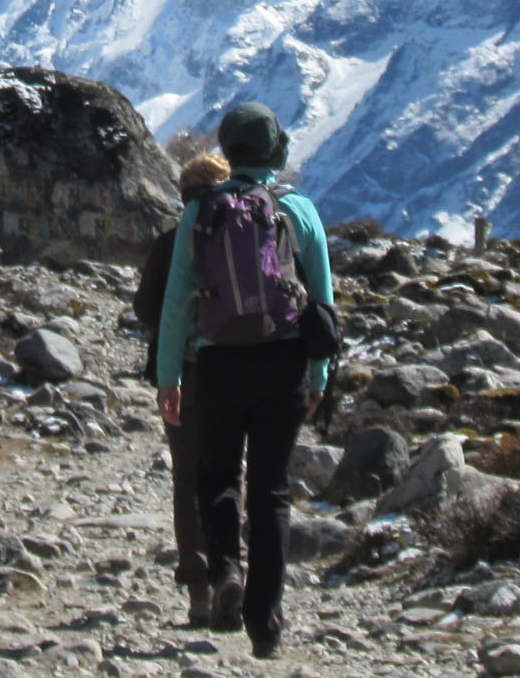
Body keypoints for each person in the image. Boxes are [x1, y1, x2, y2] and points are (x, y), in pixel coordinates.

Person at [156, 102, 332, 659]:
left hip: (218, 362)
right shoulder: (298, 210)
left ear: (228, 150)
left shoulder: (201, 210)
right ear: (275, 149)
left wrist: (168, 377)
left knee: (218, 478)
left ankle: (226, 566)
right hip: (282, 367)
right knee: (272, 492)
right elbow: (323, 303)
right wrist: (319, 372)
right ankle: (266, 622)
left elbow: (176, 305)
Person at [132, 151, 232, 626]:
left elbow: (147, 309)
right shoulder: (247, 242)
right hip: (238, 370)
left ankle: (198, 587)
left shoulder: (170, 243)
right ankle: (231, 572)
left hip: (185, 377)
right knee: (230, 476)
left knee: (188, 479)